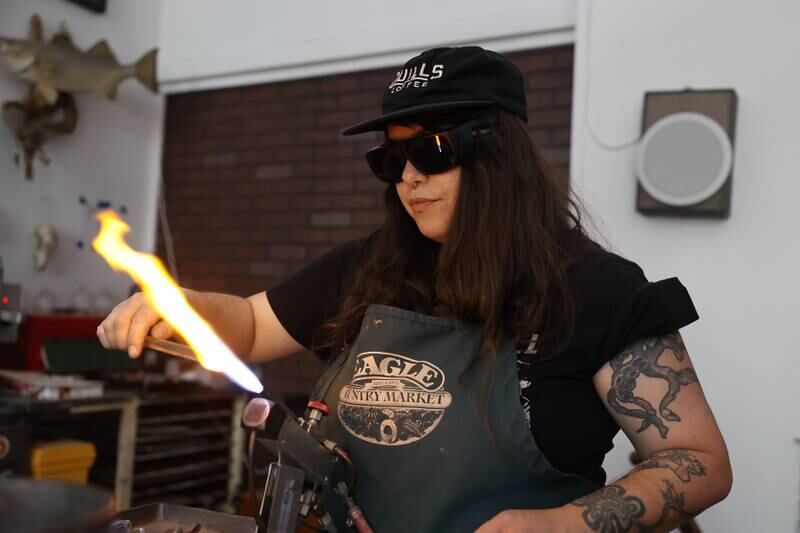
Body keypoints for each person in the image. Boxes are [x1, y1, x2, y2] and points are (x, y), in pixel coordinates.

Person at [97, 46, 731, 532]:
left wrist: (566, 523)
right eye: (389, 159)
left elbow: (698, 458)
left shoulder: (596, 289)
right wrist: (174, 307)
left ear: (498, 154)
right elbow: (253, 324)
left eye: (430, 151)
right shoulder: (370, 267)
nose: (406, 177)